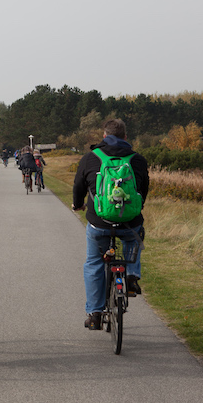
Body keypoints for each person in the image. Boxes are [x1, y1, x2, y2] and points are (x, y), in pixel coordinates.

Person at [71, 118, 149, 330]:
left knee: (94, 263)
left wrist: (77, 204)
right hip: (130, 223)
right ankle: (131, 277)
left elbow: (78, 186)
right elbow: (143, 189)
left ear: (104, 136)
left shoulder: (90, 158)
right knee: (135, 234)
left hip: (100, 223)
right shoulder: (138, 159)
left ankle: (95, 314)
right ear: (125, 137)